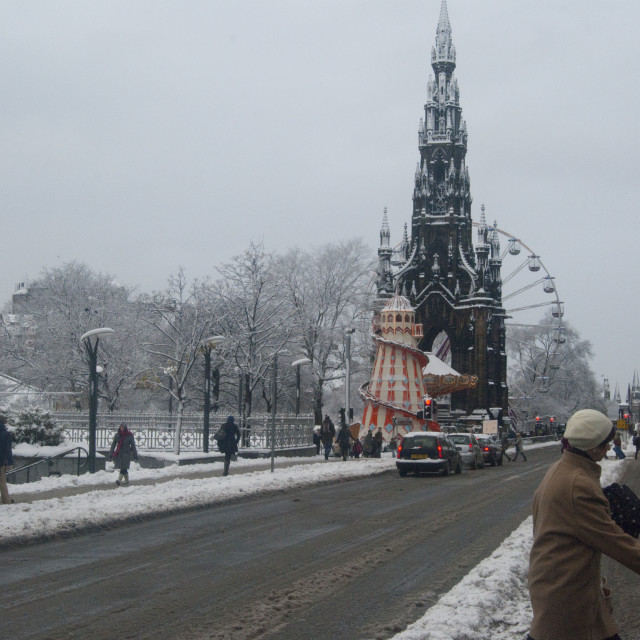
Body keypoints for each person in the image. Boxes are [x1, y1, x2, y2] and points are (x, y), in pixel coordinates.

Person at [527, 409, 640, 640]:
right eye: (607, 443)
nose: (610, 447)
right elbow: (620, 545)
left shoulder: (563, 469)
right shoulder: (578, 485)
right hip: (568, 603)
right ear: (594, 448)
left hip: (562, 591)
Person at [109, 422, 138, 486]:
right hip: (119, 454)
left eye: (123, 427)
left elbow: (133, 446)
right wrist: (111, 454)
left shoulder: (129, 435)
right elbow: (113, 444)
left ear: (125, 428)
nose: (121, 428)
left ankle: (119, 481)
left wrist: (135, 456)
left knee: (123, 468)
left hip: (126, 454)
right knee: (123, 468)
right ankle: (127, 481)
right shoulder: (117, 435)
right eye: (121, 427)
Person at [0, 417, 14, 505]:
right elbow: (8, 450)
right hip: (1, 461)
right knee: (2, 482)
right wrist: (10, 462)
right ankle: (6, 501)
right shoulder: (6, 434)